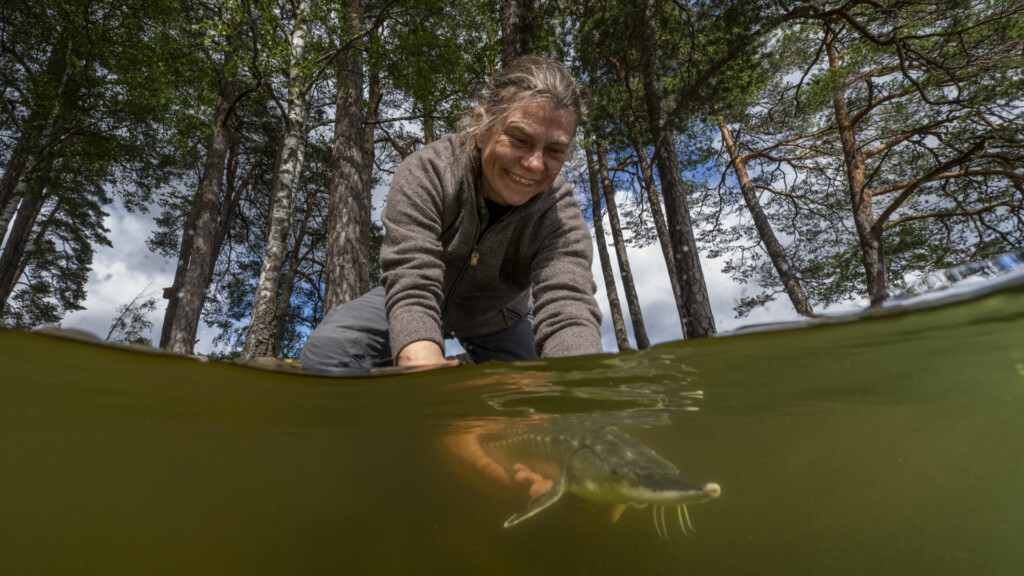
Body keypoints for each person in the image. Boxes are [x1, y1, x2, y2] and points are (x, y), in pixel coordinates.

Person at [300, 56, 603, 373]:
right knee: (328, 350)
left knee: (535, 392)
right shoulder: (429, 171)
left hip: (501, 316)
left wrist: (574, 390)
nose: (535, 165)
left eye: (555, 150)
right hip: (413, 298)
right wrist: (422, 367)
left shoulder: (559, 212)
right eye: (519, 139)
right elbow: (411, 280)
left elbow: (568, 305)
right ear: (482, 128)